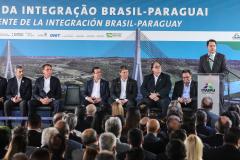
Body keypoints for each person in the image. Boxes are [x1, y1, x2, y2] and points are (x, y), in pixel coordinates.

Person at [198, 39, 227, 112]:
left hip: (219, 84)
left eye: (214, 46)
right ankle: (207, 119)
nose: (212, 47)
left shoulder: (222, 57)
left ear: (216, 47)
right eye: (210, 46)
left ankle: (221, 120)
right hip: (206, 85)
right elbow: (200, 71)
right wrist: (205, 79)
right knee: (206, 103)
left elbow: (225, 71)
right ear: (207, 47)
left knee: (219, 105)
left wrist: (215, 78)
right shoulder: (202, 58)